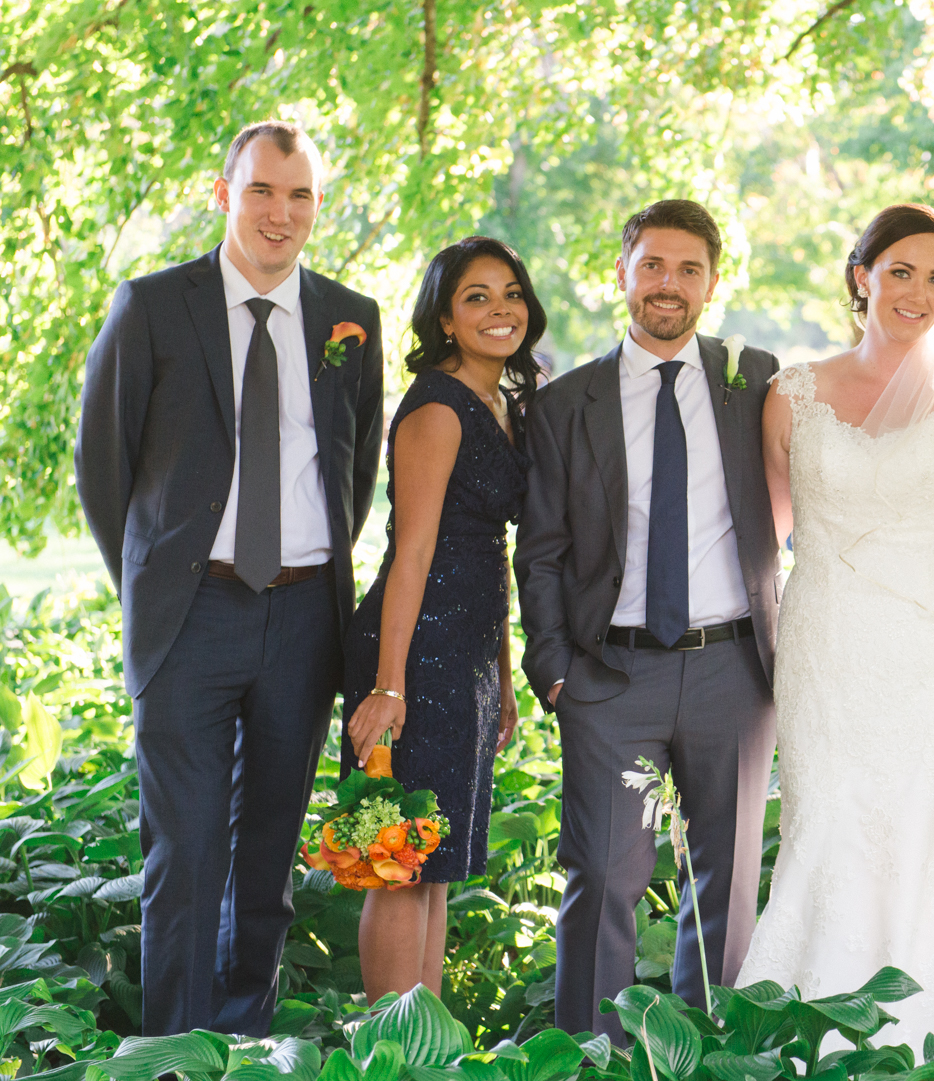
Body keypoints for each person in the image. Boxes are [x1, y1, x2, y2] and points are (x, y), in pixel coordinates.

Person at [75, 121, 385, 1036]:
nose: (280, 214)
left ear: (315, 206)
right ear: (224, 194)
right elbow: (106, 472)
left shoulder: (351, 320)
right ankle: (175, 1047)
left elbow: (352, 473)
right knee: (187, 845)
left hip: (303, 619)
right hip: (189, 614)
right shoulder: (151, 307)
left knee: (268, 852)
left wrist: (306, 567)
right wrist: (157, 587)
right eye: (261, 191)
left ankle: (246, 1034)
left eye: (299, 196)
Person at [737, 203, 934, 1049]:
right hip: (828, 645)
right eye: (902, 272)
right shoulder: (790, 394)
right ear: (862, 277)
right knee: (831, 822)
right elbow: (762, 542)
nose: (919, 292)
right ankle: (814, 1034)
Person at [514, 200, 780, 1042]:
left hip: (733, 667)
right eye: (654, 265)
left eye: (689, 268)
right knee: (603, 873)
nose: (670, 284)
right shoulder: (566, 405)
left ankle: (706, 1055)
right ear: (621, 272)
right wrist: (555, 670)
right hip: (609, 673)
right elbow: (542, 550)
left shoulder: (755, 380)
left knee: (728, 881)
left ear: (711, 281)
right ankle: (595, 1055)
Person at [341, 236, 545, 1000]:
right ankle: (390, 1051)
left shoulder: (502, 400)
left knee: (433, 863)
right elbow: (413, 553)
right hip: (414, 649)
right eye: (477, 297)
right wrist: (389, 685)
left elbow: (488, 550)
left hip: (464, 652)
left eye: (512, 292)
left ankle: (423, 1049)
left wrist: (499, 670)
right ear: (447, 319)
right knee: (396, 862)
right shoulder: (436, 406)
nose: (501, 310)